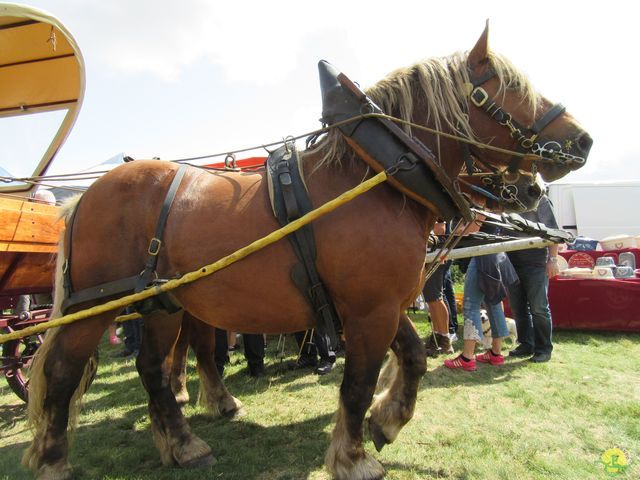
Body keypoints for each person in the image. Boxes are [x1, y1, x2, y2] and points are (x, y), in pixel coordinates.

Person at [507, 195, 560, 363]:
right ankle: (526, 344)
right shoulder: (506, 198)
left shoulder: (541, 200)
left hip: (535, 262)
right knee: (518, 307)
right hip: (511, 261)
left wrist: (553, 260)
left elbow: (553, 232)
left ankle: (544, 349)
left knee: (539, 308)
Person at [444, 251, 517, 371]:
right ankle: (495, 354)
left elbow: (471, 230)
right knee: (494, 302)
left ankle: (467, 358)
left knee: (470, 305)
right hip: (496, 252)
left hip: (482, 255)